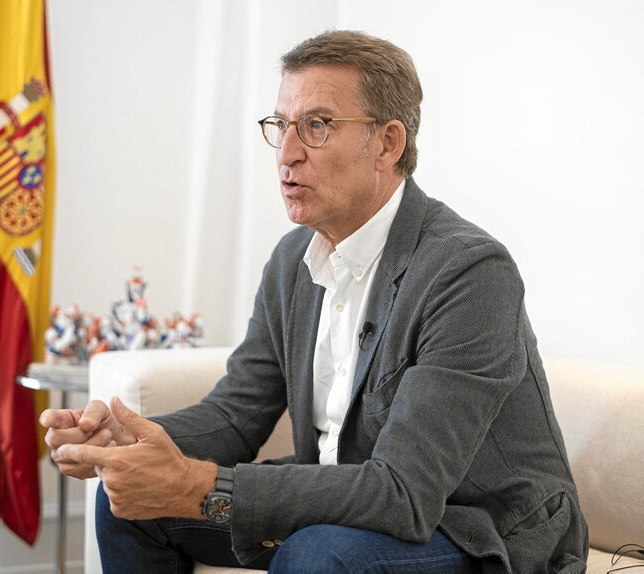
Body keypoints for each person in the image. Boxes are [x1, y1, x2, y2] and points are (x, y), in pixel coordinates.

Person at [41, 30, 588, 573]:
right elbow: (236, 416)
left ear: (387, 144)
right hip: (349, 504)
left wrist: (196, 485)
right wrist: (129, 441)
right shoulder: (292, 261)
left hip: (475, 525)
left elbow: (404, 492)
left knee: (317, 554)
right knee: (129, 504)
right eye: (281, 126)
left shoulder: (468, 272)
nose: (287, 153)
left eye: (317, 126)